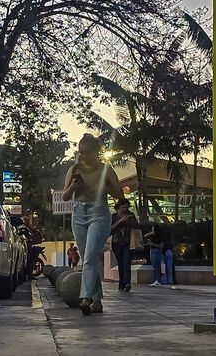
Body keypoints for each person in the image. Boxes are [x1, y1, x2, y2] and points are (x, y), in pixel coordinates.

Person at [61, 133, 124, 315]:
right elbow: (65, 196)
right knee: (87, 258)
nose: (82, 156)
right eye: (80, 152)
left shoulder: (106, 169)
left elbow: (120, 194)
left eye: (86, 152)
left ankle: (85, 298)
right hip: (79, 213)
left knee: (89, 257)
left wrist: (102, 187)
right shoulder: (73, 170)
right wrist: (73, 186)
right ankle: (97, 301)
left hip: (99, 214)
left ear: (97, 152)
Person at [110, 198, 138, 292]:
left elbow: (136, 226)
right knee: (120, 263)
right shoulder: (114, 217)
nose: (124, 209)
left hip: (128, 242)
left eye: (126, 207)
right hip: (116, 243)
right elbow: (109, 230)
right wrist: (120, 221)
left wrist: (129, 221)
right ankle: (121, 283)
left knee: (126, 262)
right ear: (118, 208)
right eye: (122, 207)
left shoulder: (130, 215)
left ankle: (127, 283)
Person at [146, 222, 176, 288]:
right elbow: (145, 236)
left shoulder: (161, 237)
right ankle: (160, 280)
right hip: (154, 251)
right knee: (155, 265)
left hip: (157, 251)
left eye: (153, 230)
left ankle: (159, 280)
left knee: (158, 266)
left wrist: (152, 244)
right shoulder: (154, 236)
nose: (152, 231)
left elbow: (161, 246)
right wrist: (151, 233)